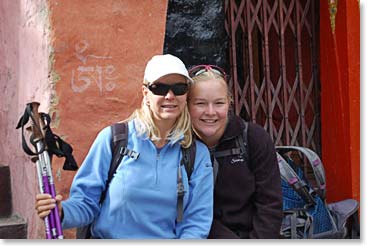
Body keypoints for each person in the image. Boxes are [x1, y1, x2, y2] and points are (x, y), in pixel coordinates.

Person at [35, 54, 214, 239]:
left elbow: (196, 222)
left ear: (186, 94)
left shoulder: (195, 154)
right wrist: (61, 212)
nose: (169, 96)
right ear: (146, 93)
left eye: (179, 88)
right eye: (159, 88)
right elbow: (86, 202)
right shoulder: (114, 140)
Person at [187, 65, 283, 239]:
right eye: (200, 103)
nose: (210, 112)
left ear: (229, 103)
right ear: (187, 105)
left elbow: (270, 205)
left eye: (219, 103)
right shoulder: (180, 147)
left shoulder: (254, 138)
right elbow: (187, 212)